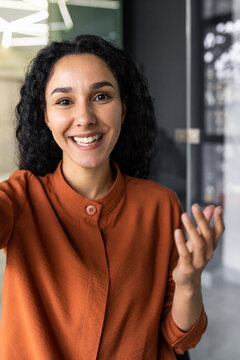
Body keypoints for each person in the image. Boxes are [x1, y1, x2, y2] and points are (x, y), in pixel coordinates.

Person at [0, 34, 224, 359]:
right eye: (64, 101)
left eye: (101, 96)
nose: (85, 117)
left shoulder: (160, 205)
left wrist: (189, 281)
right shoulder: (20, 198)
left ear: (123, 110)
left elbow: (181, 340)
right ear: (45, 115)